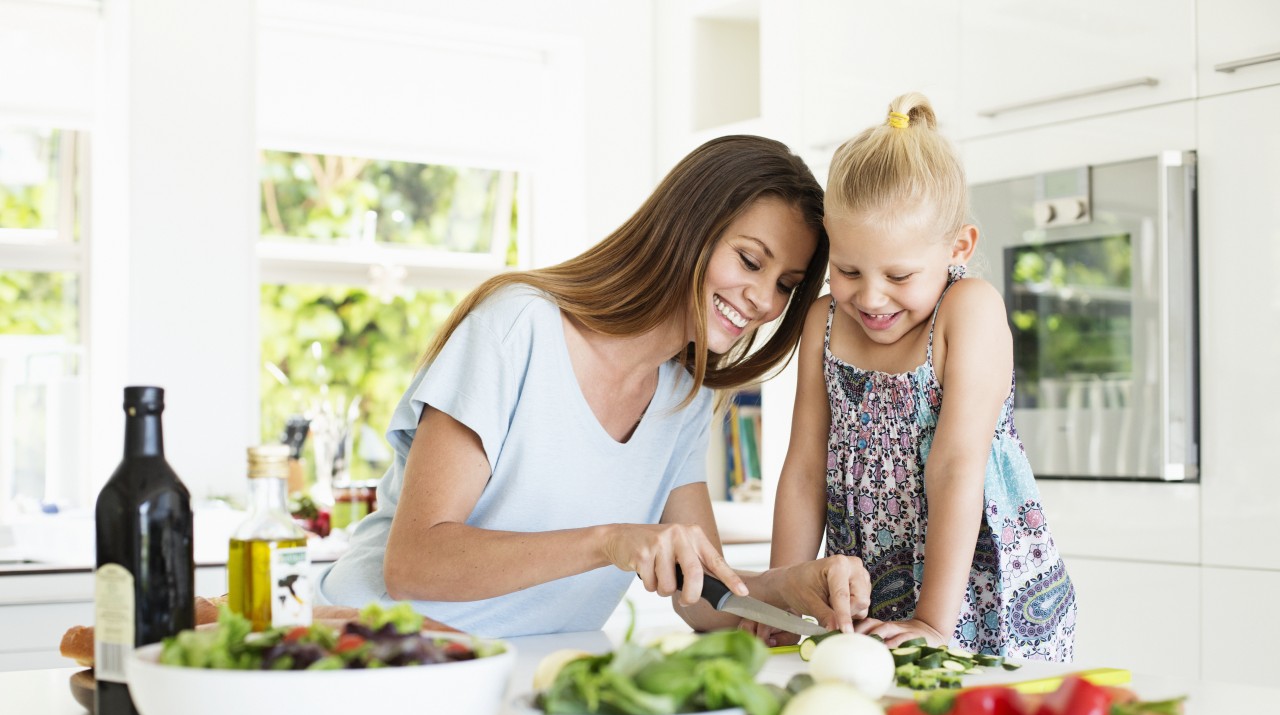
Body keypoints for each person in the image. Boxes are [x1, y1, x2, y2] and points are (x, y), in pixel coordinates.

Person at [318, 134, 872, 637]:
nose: (765, 301)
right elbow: (415, 565)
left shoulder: (686, 396)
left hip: (534, 673)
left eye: (786, 285)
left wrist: (787, 585)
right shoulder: (518, 327)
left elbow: (703, 599)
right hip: (377, 655)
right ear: (688, 226)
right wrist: (610, 541)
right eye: (750, 261)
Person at [766, 93, 1076, 660]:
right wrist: (781, 602)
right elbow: (805, 468)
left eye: (899, 274)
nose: (871, 295)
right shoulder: (825, 320)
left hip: (975, 598)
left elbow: (957, 465)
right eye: (848, 269)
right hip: (870, 604)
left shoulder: (968, 310)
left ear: (959, 246)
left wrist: (934, 619)